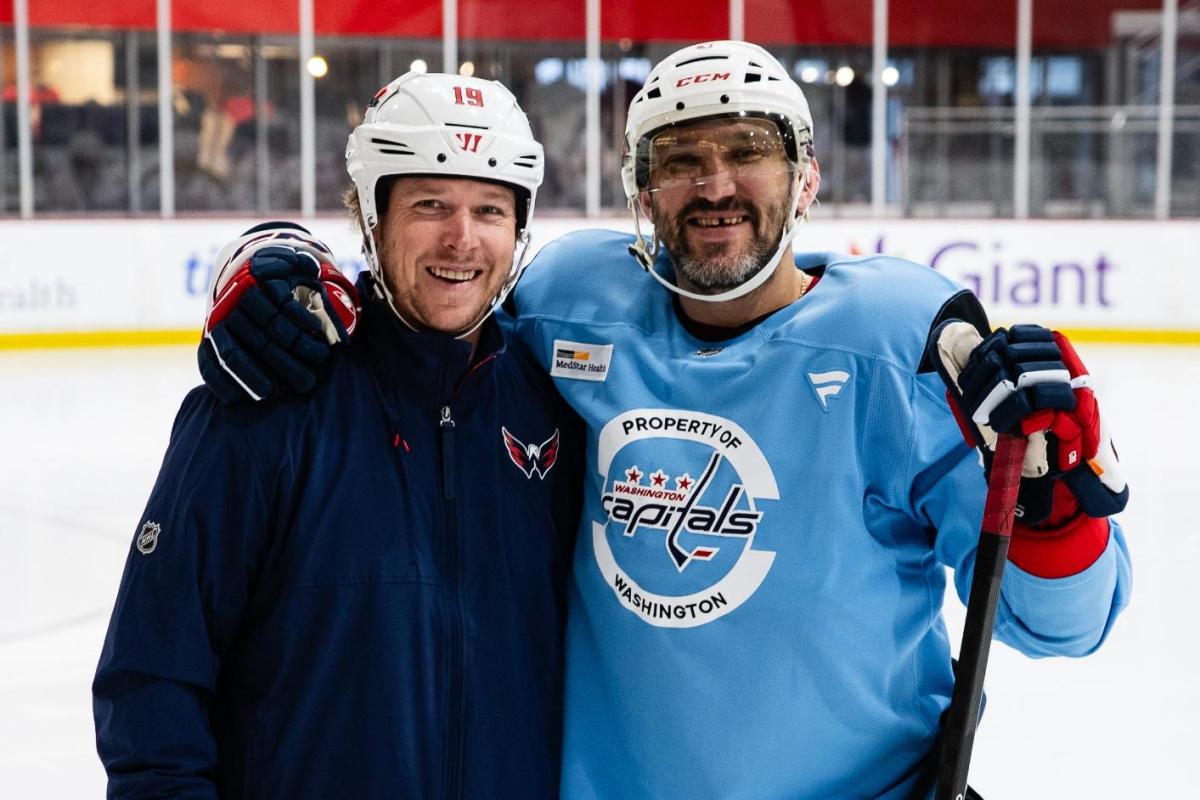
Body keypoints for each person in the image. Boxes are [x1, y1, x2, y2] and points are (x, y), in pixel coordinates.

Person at [193, 42, 1131, 799]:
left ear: (804, 178)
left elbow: (1062, 630)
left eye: (748, 151)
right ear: (643, 193)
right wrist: (275, 261)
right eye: (681, 160)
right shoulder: (568, 300)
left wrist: (1055, 512)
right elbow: (427, 295)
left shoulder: (904, 346)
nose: (714, 184)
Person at [92, 72, 582, 799]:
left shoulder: (558, 408)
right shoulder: (266, 400)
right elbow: (152, 682)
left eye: (490, 209)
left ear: (520, 228)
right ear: (371, 217)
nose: (463, 238)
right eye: (430, 205)